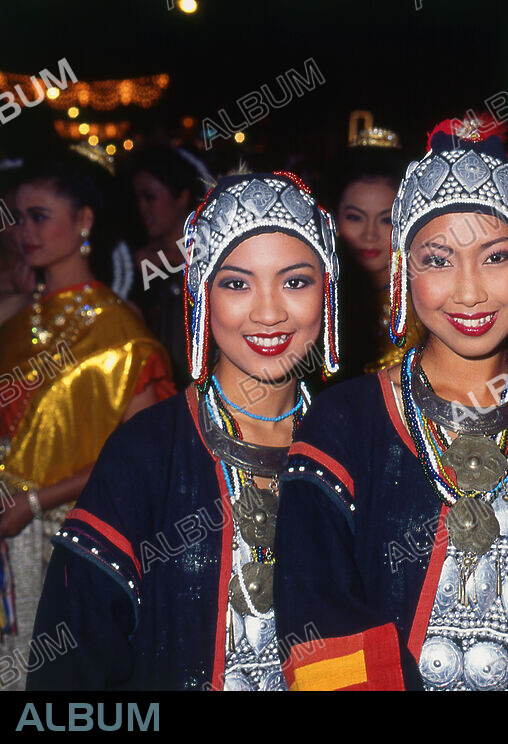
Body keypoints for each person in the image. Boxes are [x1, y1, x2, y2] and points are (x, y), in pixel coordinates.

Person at [274, 117, 508, 690]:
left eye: (496, 256)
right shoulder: (344, 425)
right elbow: (317, 610)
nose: (470, 290)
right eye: (437, 260)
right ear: (403, 269)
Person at [26, 171, 341, 690]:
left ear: (328, 291)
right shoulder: (146, 453)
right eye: (237, 283)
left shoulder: (353, 441)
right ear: (201, 293)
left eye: (295, 281)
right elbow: (72, 665)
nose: (268, 312)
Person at [0, 149, 175, 690]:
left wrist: (31, 502)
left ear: (83, 221)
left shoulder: (118, 330)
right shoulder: (16, 317)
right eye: (18, 216)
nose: (25, 230)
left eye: (40, 215)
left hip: (64, 537)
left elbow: (139, 456)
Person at [331, 121, 425, 376]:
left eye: (386, 220)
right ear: (335, 220)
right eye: (355, 217)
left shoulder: (427, 300)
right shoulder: (319, 297)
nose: (369, 234)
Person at [129, 145, 212, 388]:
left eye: (150, 197)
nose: (143, 208)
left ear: (182, 196)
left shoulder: (212, 256)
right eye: (138, 199)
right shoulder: (136, 264)